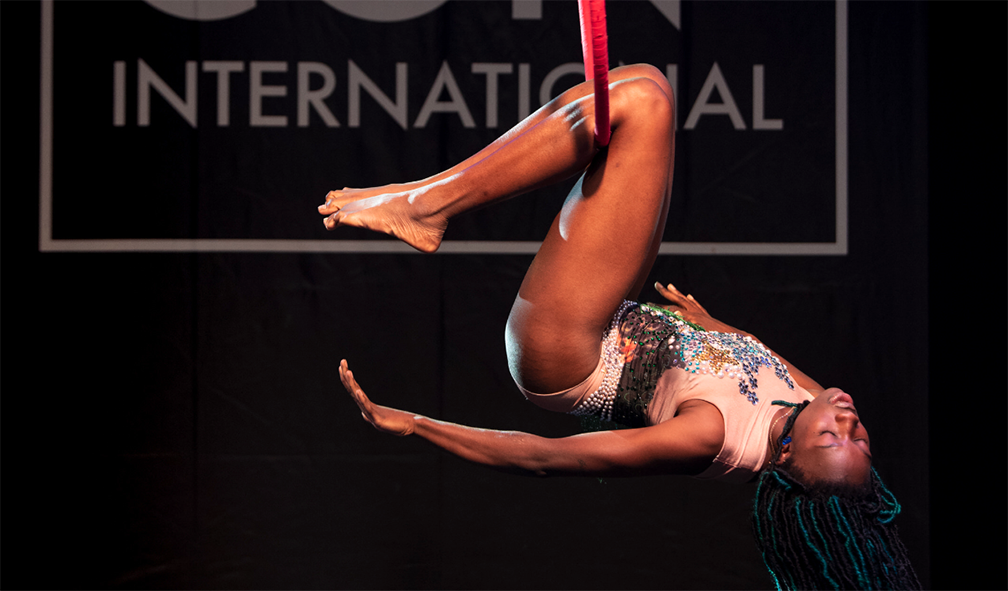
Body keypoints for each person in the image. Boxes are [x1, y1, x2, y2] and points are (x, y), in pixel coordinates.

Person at [321, 64, 920, 590]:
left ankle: (424, 206)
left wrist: (418, 425)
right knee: (644, 90)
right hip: (616, 317)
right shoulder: (811, 403)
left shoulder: (709, 437)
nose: (847, 418)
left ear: (787, 454)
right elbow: (756, 365)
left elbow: (549, 459)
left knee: (641, 109)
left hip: (569, 353)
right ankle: (422, 197)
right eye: (860, 436)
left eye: (833, 437)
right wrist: (712, 330)